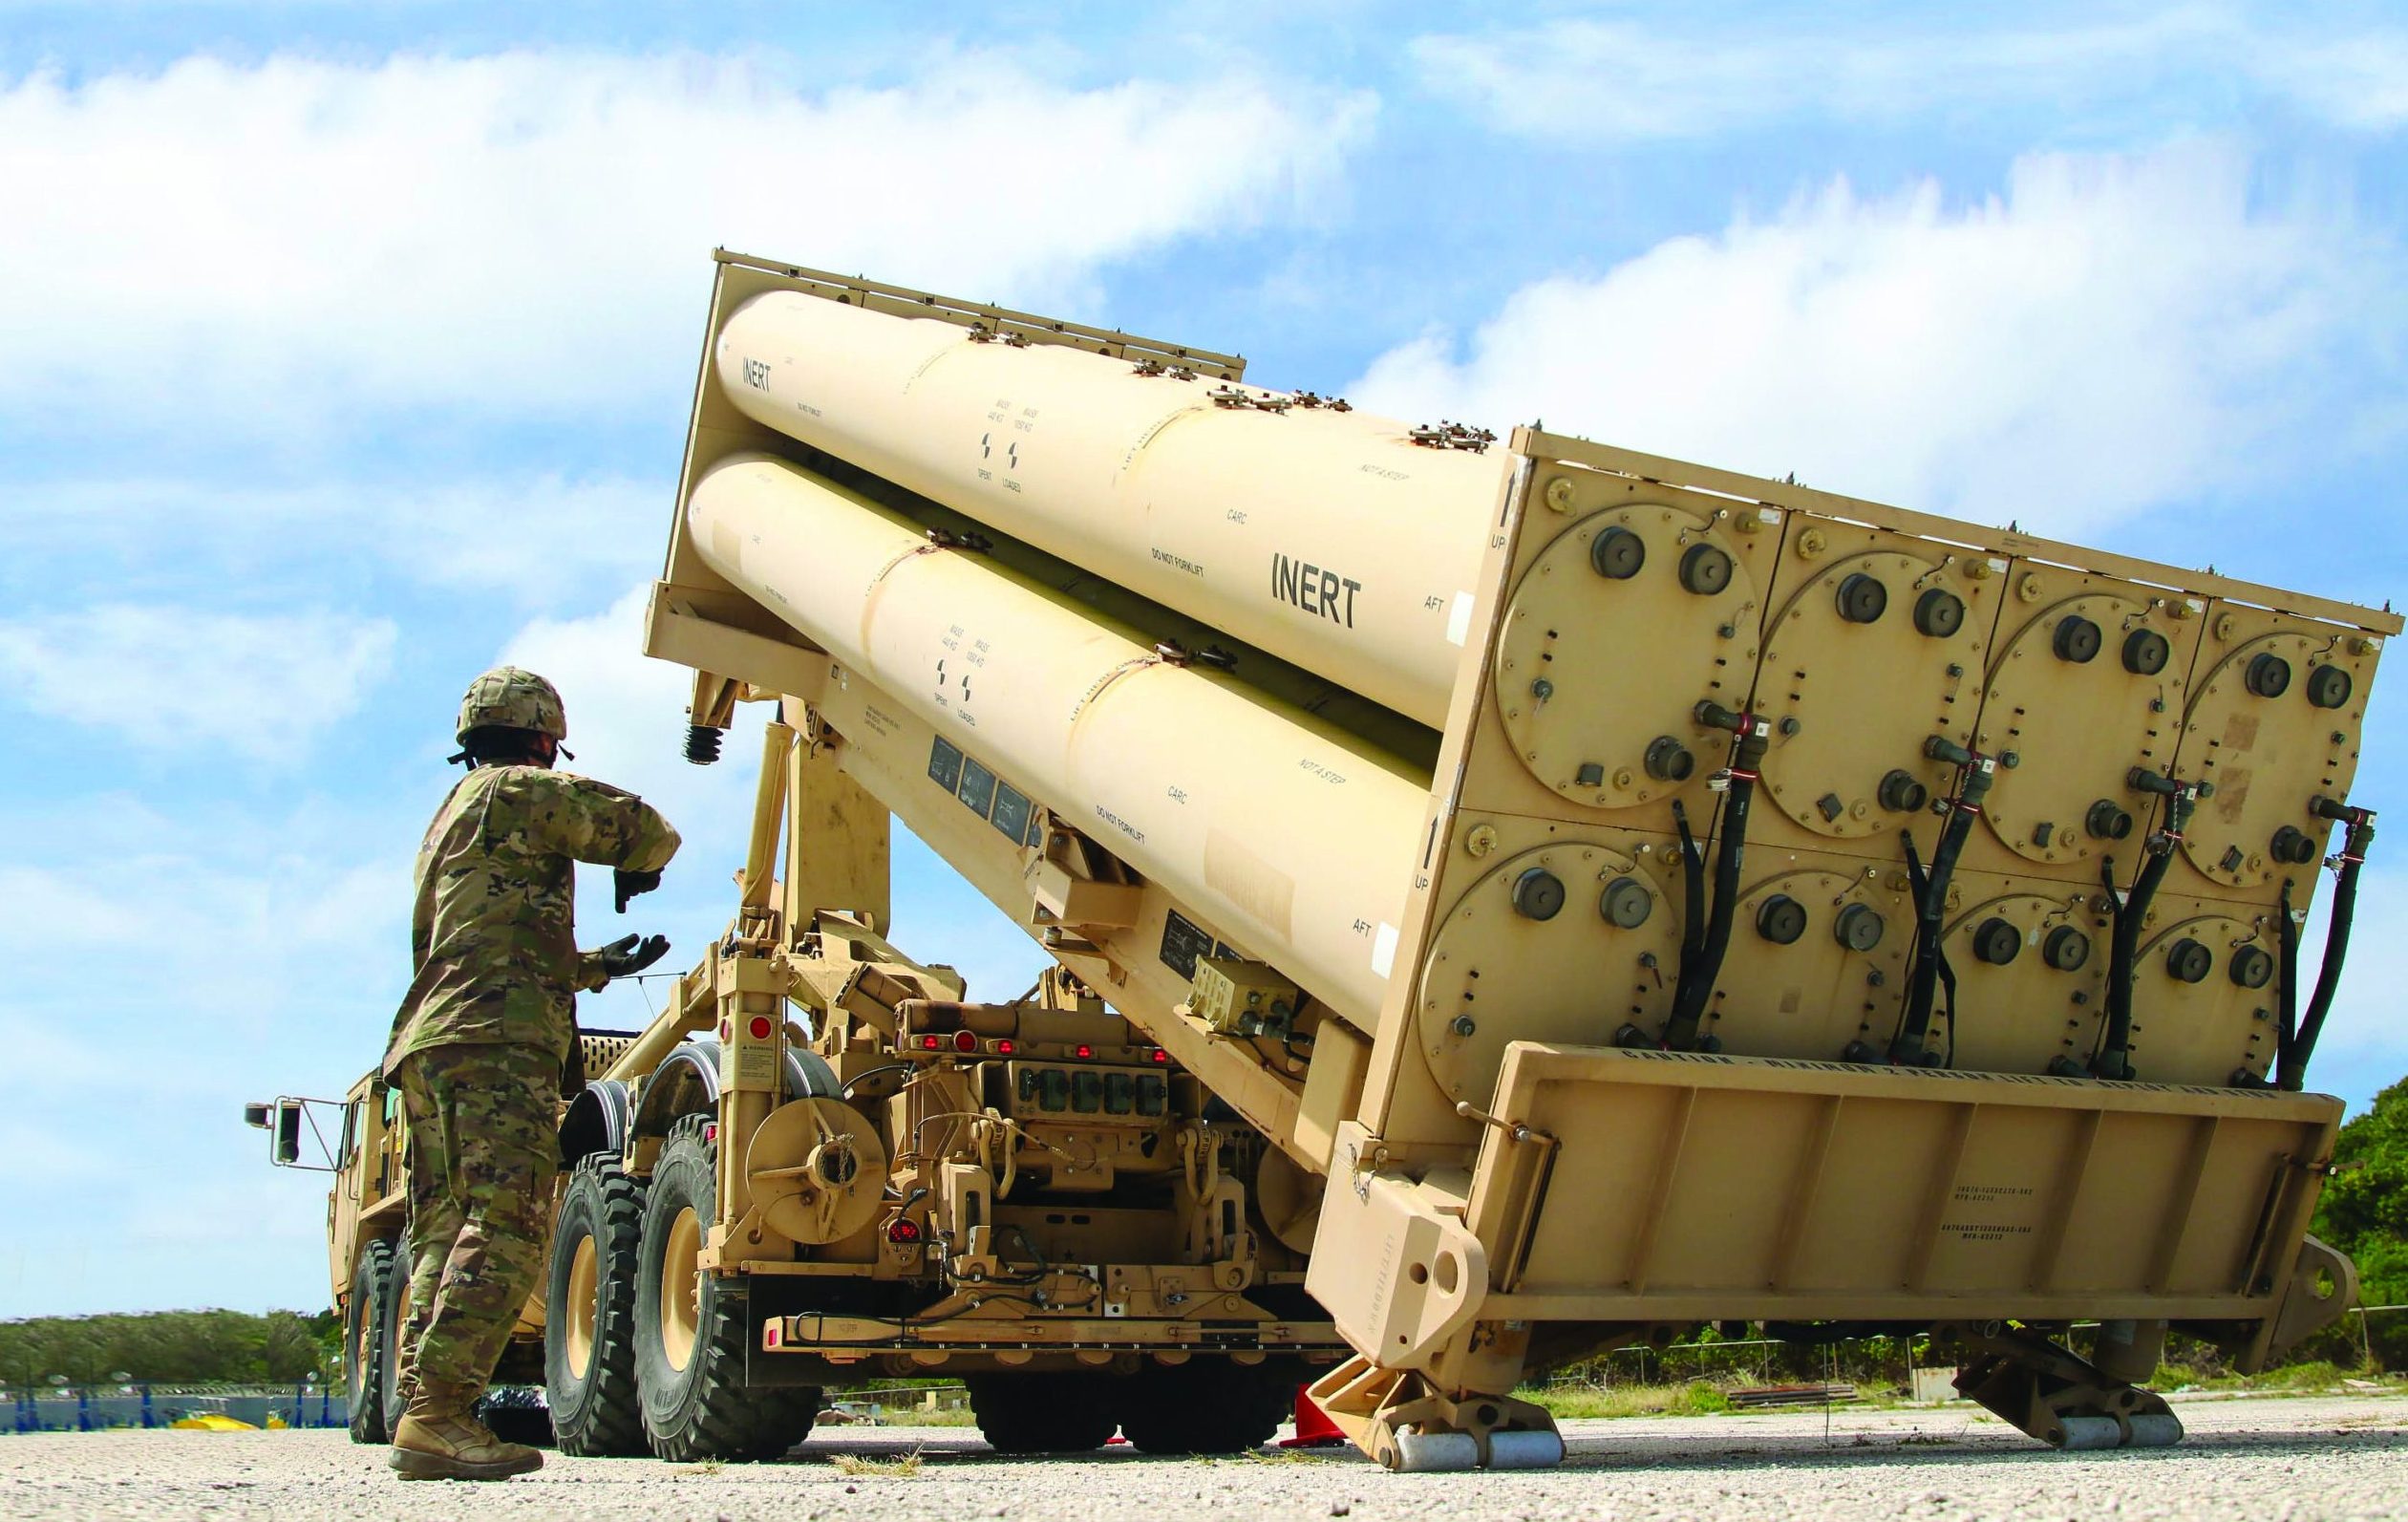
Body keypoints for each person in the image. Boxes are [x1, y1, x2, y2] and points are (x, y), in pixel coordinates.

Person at [380, 667, 680, 1481]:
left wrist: (589, 967)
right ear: (546, 738)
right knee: (510, 1223)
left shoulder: (452, 815)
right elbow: (638, 825)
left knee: (447, 1227)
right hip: (495, 1040)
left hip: (435, 1040)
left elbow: (493, 938)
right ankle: (440, 1411)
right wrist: (641, 861)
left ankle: (427, 1411)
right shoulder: (516, 789)